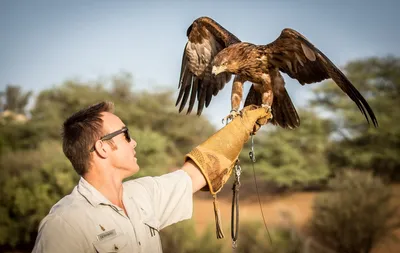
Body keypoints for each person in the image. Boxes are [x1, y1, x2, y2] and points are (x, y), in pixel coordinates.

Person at [32, 101, 271, 253]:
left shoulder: (143, 194)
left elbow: (198, 171)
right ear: (103, 148)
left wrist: (240, 128)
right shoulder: (64, 225)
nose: (133, 142)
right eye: (126, 135)